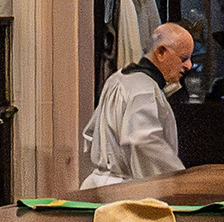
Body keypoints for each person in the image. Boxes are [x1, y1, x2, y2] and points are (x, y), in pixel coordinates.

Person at [79, 22, 193, 188]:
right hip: (123, 189)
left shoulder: (117, 78)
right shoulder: (143, 89)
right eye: (183, 58)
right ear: (161, 52)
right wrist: (180, 181)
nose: (189, 65)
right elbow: (143, 140)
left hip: (101, 181)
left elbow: (90, 133)